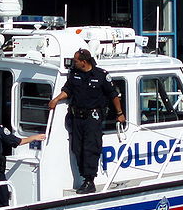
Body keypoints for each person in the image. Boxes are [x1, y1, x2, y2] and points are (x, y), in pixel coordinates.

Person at [48, 48, 125, 194]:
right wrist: (56, 99)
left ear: (84, 62)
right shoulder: (74, 74)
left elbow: (113, 95)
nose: (73, 63)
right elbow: (68, 90)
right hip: (77, 117)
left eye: (76, 60)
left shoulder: (101, 75)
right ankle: (84, 177)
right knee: (77, 148)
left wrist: (119, 113)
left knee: (91, 148)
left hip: (93, 118)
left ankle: (90, 181)